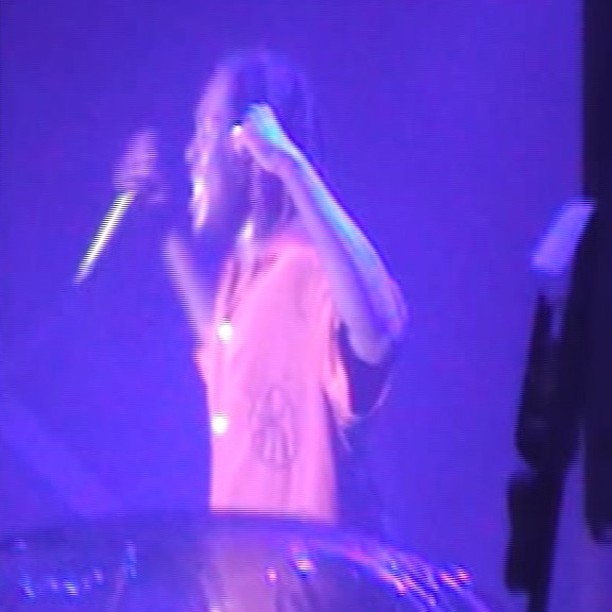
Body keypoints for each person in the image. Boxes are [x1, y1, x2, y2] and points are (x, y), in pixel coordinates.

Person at [165, 49, 407, 536]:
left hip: (313, 577)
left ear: (246, 144)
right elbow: (227, 366)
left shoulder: (309, 265)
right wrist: (167, 239)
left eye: (206, 130)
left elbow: (380, 333)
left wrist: (289, 165)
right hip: (242, 575)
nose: (191, 153)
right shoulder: (242, 273)